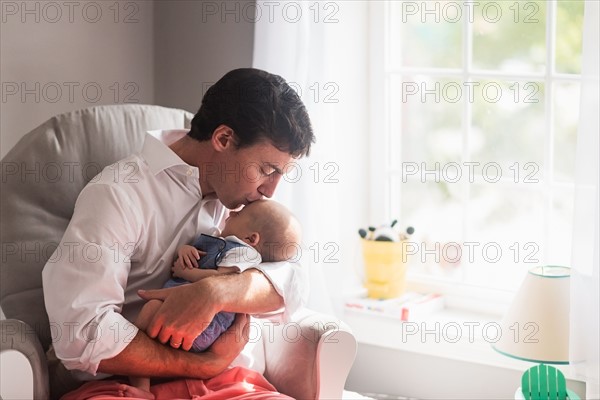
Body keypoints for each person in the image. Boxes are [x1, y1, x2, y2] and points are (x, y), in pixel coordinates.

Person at [42, 68, 315, 399]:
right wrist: (202, 365)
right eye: (267, 170)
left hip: (230, 385)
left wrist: (215, 292)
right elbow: (82, 333)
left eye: (279, 174)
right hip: (121, 386)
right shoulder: (118, 193)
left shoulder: (242, 201)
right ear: (224, 139)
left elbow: (290, 282)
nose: (271, 191)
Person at [130, 199, 302, 397]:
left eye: (240, 214)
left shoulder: (242, 253)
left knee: (149, 310)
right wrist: (184, 251)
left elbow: (220, 279)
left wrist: (187, 274)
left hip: (206, 324)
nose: (232, 213)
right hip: (182, 313)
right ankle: (143, 389)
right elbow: (194, 255)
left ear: (251, 238)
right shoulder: (217, 239)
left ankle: (141, 387)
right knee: (150, 311)